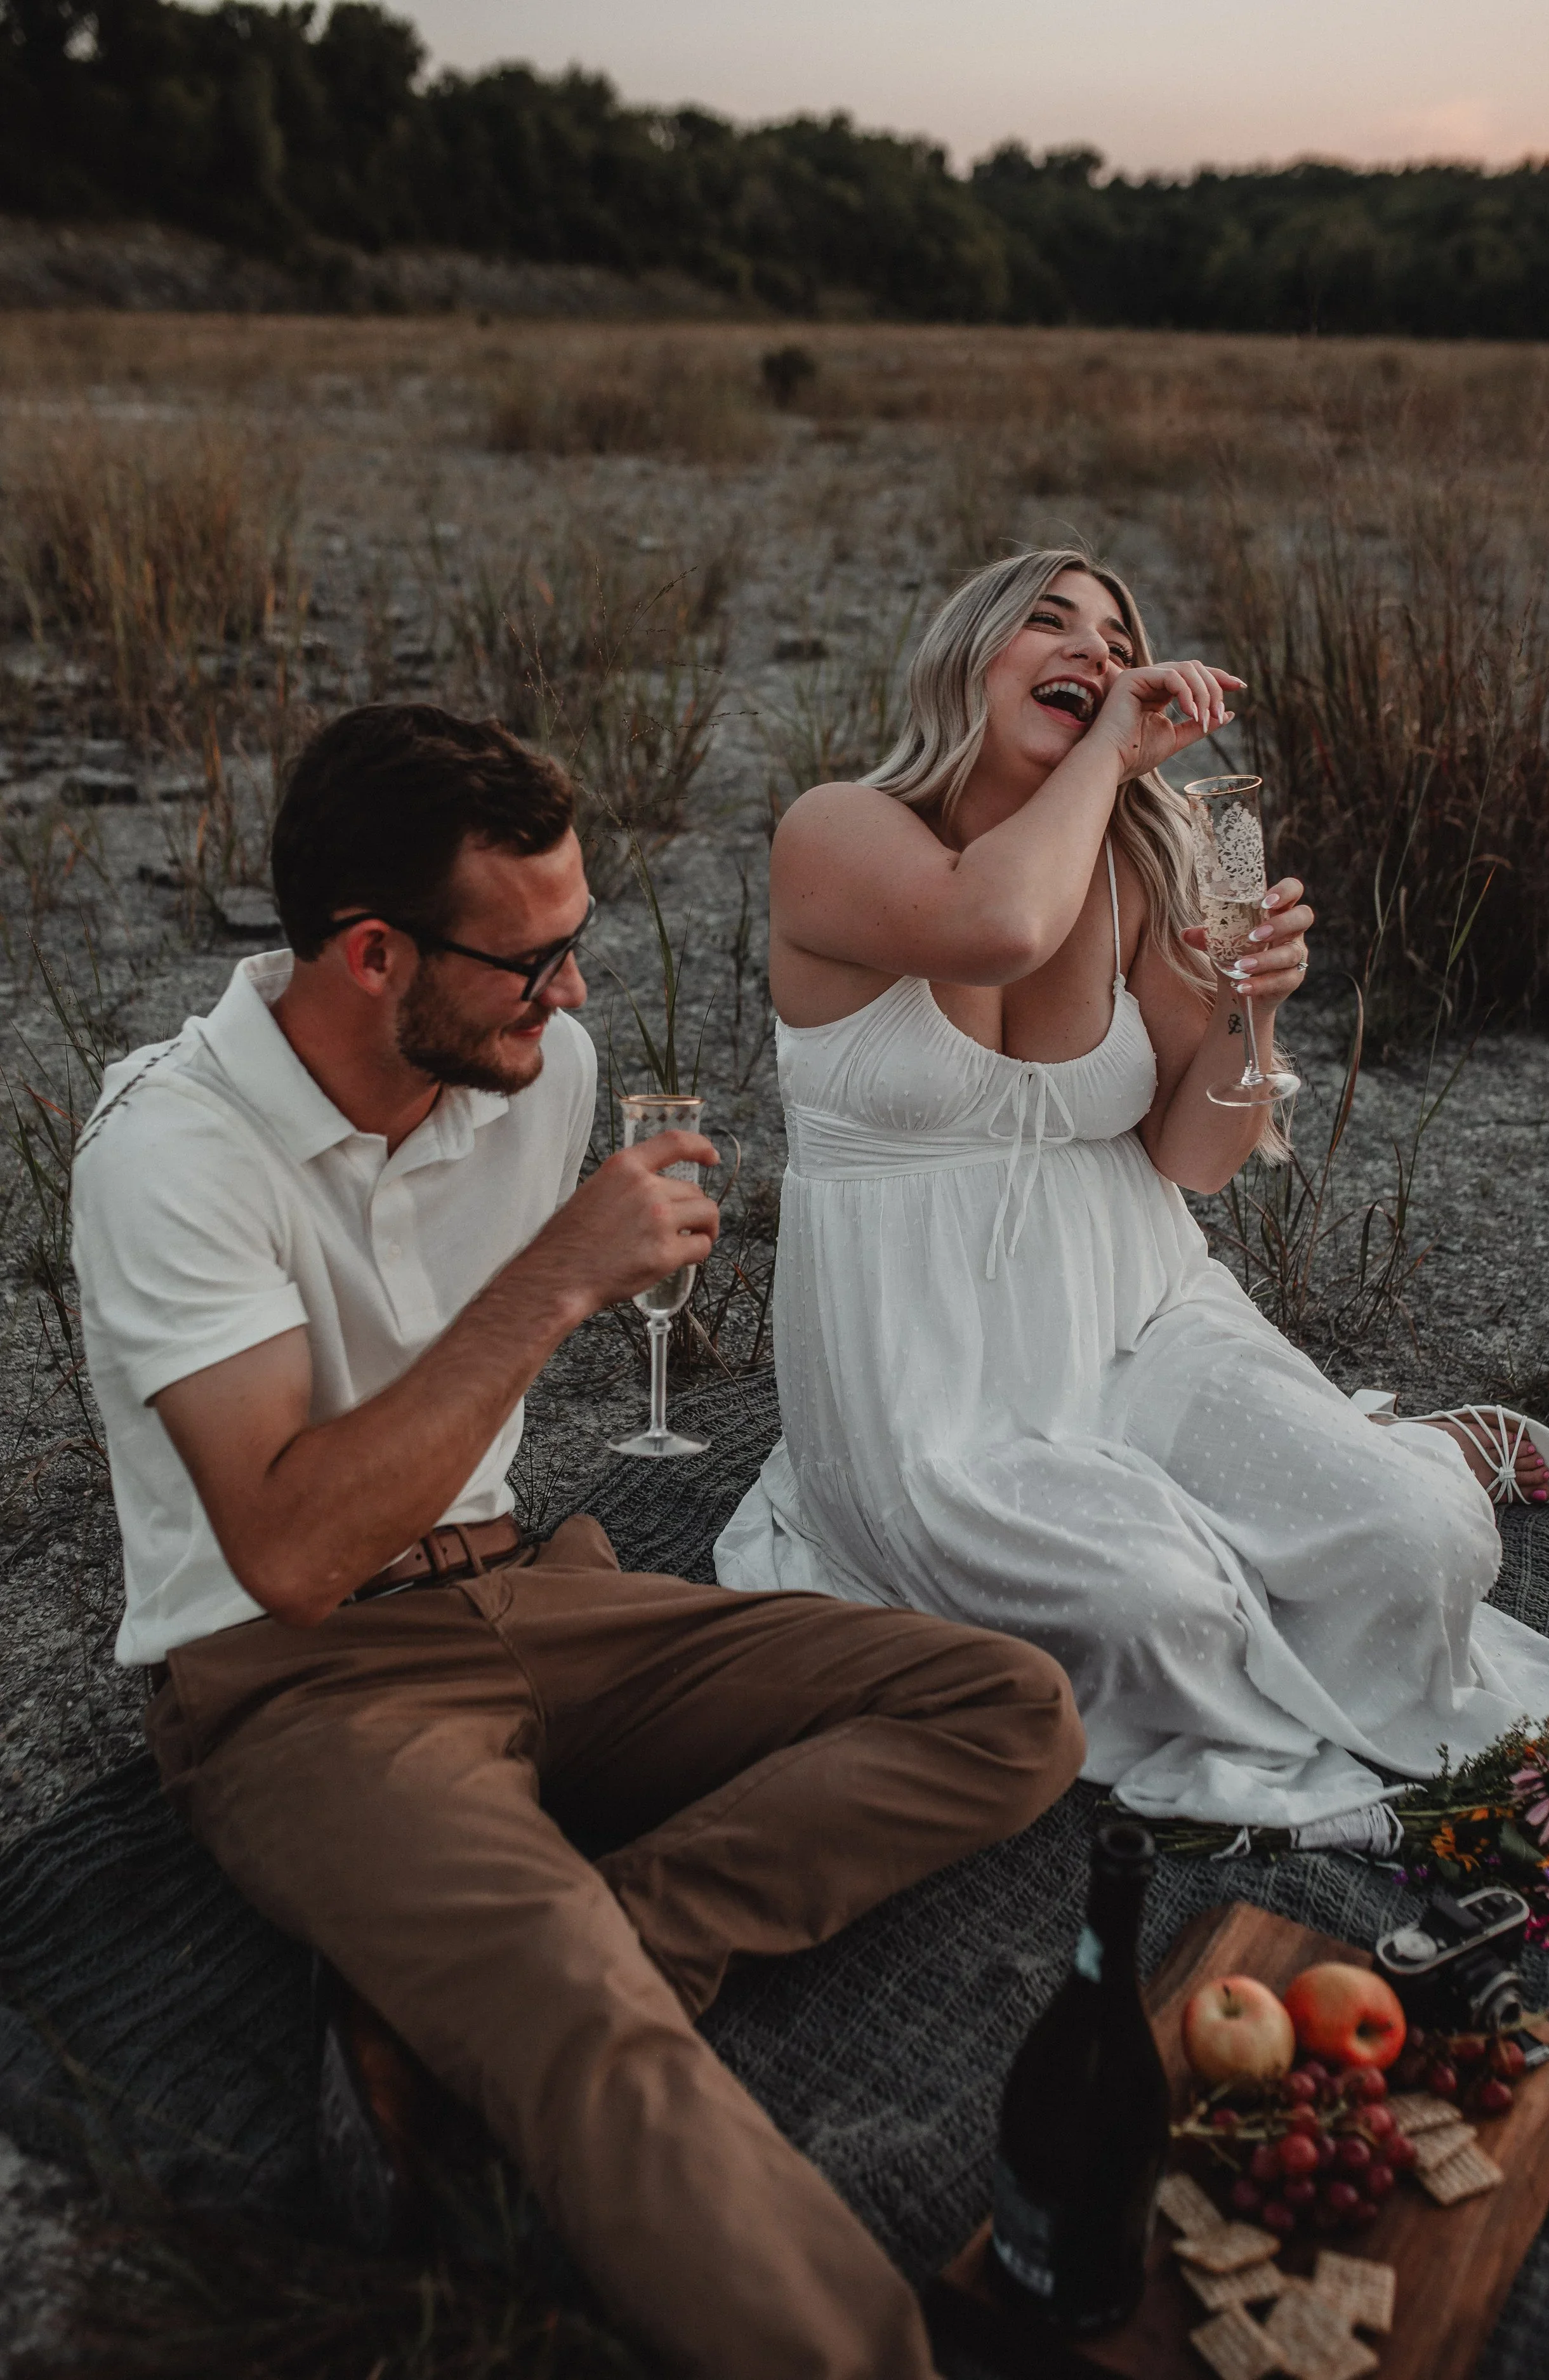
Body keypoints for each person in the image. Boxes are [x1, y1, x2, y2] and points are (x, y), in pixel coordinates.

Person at [70, 703, 1086, 2380]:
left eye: (579, 941)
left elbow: (470, 1406)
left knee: (1009, 1703)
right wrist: (554, 1275)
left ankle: (581, 1944)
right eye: (529, 960)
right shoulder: (171, 1151)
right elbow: (292, 1547)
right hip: (299, 1683)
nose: (575, 996)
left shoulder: (545, 1068)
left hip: (531, 1591)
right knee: (603, 2046)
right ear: (373, 953)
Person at [715, 546, 1549, 1834]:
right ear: (967, 653)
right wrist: (1112, 746)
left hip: (1137, 1313)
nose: (1095, 656)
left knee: (1422, 1545)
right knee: (1153, 1609)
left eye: (1119, 644)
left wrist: (1253, 1016)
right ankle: (1376, 1459)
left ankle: (1416, 1458)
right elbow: (997, 922)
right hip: (931, 1383)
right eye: (1049, 625)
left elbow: (1187, 1159)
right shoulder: (837, 830)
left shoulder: (1159, 856)